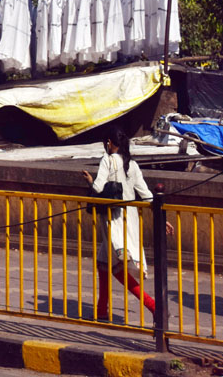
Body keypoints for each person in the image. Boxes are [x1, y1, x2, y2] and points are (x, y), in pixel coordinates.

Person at [82, 128, 156, 320]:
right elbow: (147, 194)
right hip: (129, 219)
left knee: (117, 268)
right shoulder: (132, 164)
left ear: (109, 143)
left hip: (112, 220)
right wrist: (162, 216)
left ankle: (153, 305)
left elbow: (98, 187)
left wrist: (90, 181)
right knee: (103, 263)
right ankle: (101, 309)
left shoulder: (107, 160)